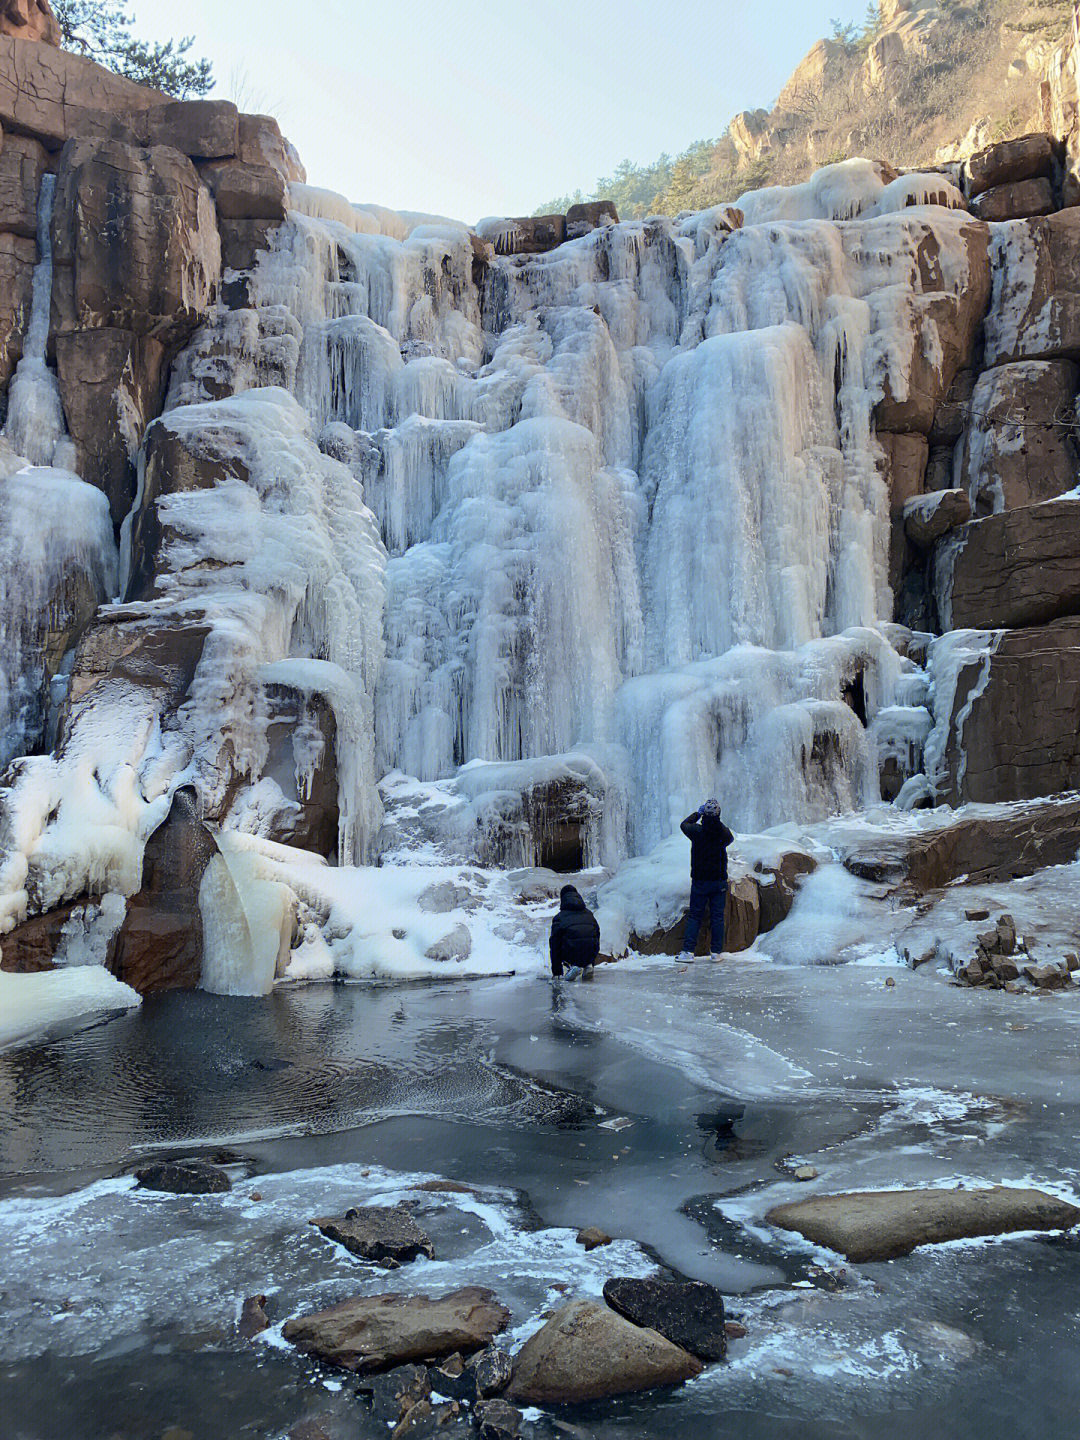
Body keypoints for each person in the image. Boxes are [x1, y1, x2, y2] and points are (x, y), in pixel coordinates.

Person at [678, 799, 734, 962]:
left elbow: (684, 824)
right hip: (718, 882)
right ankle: (716, 952)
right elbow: (729, 838)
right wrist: (716, 820)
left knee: (695, 916)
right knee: (717, 917)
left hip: (700, 881)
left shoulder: (696, 831)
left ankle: (688, 952)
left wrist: (698, 813)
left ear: (704, 814)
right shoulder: (723, 833)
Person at [550, 884, 600, 982]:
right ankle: (588, 966)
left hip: (572, 953)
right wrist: (592, 959)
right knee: (587, 939)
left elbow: (554, 945)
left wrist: (557, 972)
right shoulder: (589, 914)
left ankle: (573, 967)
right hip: (590, 953)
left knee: (560, 941)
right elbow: (596, 935)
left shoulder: (559, 917)